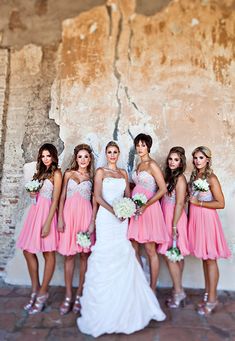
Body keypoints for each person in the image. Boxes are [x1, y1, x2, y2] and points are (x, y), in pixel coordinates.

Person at [77, 141, 166, 337]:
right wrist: (114, 211)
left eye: (115, 152)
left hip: (122, 220)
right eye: (109, 152)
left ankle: (125, 305)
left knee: (124, 255)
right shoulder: (100, 172)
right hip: (106, 219)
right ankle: (103, 308)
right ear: (105, 154)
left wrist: (127, 209)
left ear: (119, 154)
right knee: (105, 256)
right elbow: (97, 197)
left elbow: (128, 195)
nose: (112, 155)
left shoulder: (124, 174)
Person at [17, 143, 62, 314]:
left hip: (47, 215)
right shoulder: (40, 173)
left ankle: (43, 293)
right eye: (43, 156)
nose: (45, 159)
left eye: (48, 156)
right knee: (28, 251)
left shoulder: (56, 174)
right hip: (35, 214)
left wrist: (48, 223)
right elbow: (36, 197)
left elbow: (56, 200)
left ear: (53, 156)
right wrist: (32, 195)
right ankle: (35, 289)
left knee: (47, 252)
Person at [188, 146, 231, 315]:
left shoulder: (211, 178)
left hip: (208, 220)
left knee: (211, 259)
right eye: (196, 158)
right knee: (205, 260)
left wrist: (199, 203)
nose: (197, 161)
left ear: (207, 159)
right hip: (197, 221)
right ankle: (208, 294)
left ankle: (213, 299)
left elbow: (221, 203)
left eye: (201, 157)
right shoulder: (195, 176)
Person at [57, 144, 96, 315]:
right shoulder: (68, 174)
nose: (83, 160)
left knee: (84, 255)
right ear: (76, 158)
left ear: (90, 159)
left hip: (85, 217)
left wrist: (92, 222)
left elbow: (95, 201)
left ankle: (80, 294)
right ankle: (68, 295)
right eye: (80, 156)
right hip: (69, 216)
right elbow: (62, 197)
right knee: (69, 256)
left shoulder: (92, 177)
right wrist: (59, 218)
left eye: (86, 156)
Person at [128, 133, 169, 291]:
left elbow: (163, 189)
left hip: (149, 209)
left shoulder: (152, 165)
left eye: (143, 145)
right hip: (136, 209)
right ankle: (141, 282)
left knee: (150, 249)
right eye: (138, 145)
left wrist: (145, 205)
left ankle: (152, 287)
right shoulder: (138, 165)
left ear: (148, 147)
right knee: (134, 245)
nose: (140, 148)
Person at [159, 146, 189, 308]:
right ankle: (178, 289)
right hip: (167, 216)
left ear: (181, 162)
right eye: (170, 159)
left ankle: (178, 291)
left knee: (171, 255)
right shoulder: (169, 176)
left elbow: (179, 203)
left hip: (174, 219)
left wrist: (175, 225)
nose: (172, 162)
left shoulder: (180, 179)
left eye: (176, 159)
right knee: (176, 255)